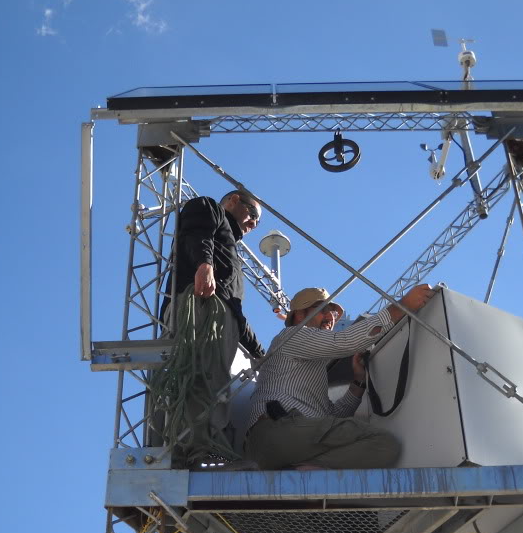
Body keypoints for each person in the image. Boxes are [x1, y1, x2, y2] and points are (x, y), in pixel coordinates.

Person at [244, 284, 436, 470]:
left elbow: (333, 416)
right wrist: (401, 307)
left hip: (280, 445)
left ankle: (301, 470)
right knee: (381, 441)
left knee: (386, 447)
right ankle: (312, 468)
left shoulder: (310, 369)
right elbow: (345, 341)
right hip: (280, 429)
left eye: (333, 313)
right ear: (300, 314)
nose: (330, 317)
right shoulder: (291, 335)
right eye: (322, 309)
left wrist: (358, 382)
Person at [154, 190, 266, 462]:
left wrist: (261, 353)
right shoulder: (208, 208)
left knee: (214, 379)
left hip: (222, 313)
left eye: (256, 223)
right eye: (253, 215)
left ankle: (204, 444)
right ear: (234, 200)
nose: (252, 224)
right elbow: (196, 232)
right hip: (201, 302)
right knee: (199, 374)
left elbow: (235, 310)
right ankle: (192, 445)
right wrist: (205, 265)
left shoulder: (233, 254)